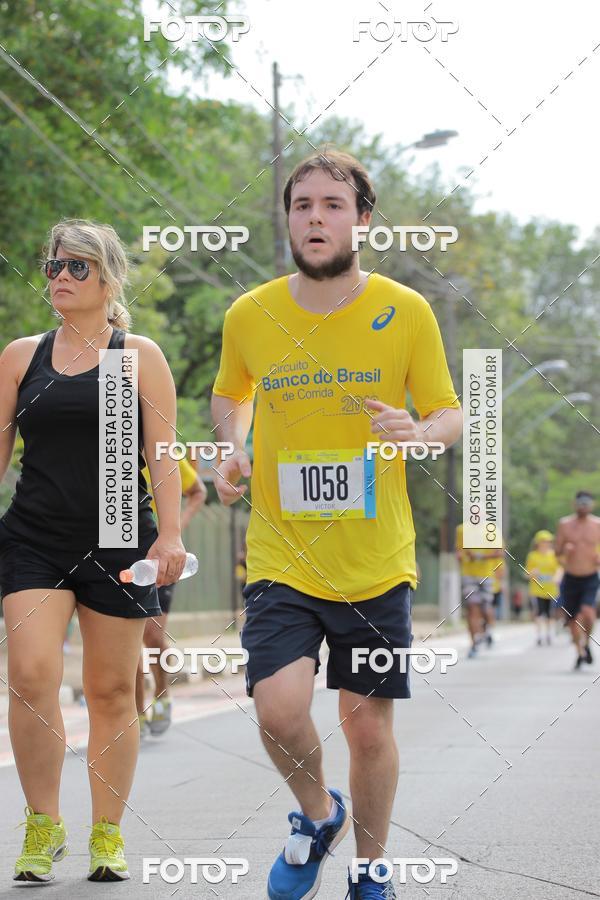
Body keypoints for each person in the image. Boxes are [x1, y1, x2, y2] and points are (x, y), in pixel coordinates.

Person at [211, 149, 462, 899]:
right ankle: (319, 813)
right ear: (288, 219)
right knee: (278, 708)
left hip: (376, 561)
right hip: (283, 552)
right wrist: (231, 448)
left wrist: (419, 433)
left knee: (367, 729)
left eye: (331, 205)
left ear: (362, 220)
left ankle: (372, 867)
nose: (315, 218)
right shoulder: (250, 313)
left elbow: (452, 411)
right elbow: (231, 395)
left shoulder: (404, 310)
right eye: (301, 206)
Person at [0, 219, 186, 883]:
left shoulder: (134, 356)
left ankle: (106, 833)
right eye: (53, 266)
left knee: (112, 689)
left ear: (108, 277)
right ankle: (42, 823)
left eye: (76, 267)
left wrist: (170, 534)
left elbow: (162, 456)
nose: (60, 278)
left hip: (118, 538)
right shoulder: (23, 356)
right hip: (33, 540)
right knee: (30, 674)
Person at [136, 456, 206, 737]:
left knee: (152, 635)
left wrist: (175, 528)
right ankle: (135, 712)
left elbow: (198, 491)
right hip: (125, 554)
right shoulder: (112, 447)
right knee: (126, 637)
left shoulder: (165, 454)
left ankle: (162, 694)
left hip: (162, 558)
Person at [555, 491, 600, 669]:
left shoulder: (597, 524)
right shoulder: (565, 524)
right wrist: (564, 550)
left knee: (588, 613)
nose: (583, 506)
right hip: (571, 577)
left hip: (590, 576)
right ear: (574, 504)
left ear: (592, 505)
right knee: (573, 620)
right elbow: (556, 553)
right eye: (580, 503)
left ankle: (587, 643)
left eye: (586, 503)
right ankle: (579, 651)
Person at [455, 523, 503, 658]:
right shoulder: (461, 530)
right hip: (468, 575)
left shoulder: (491, 529)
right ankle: (474, 643)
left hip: (487, 575)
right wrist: (460, 556)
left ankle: (487, 631)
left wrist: (479, 557)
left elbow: (500, 552)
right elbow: (458, 550)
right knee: (472, 608)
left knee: (486, 609)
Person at [524, 530, 561, 646]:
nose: (546, 543)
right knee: (539, 613)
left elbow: (560, 569)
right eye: (543, 541)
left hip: (551, 590)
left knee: (550, 613)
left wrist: (557, 577)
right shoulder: (532, 556)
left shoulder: (554, 555)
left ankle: (549, 634)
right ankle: (539, 635)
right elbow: (527, 573)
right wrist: (532, 573)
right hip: (537, 590)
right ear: (538, 542)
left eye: (548, 541)